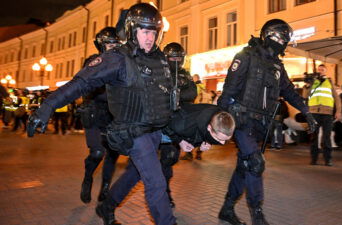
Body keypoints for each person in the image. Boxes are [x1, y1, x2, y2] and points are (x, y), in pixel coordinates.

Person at [27, 3, 177, 225]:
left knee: (135, 173)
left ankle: (106, 207)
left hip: (157, 132)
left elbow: (168, 99)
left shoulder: (160, 59)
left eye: (154, 32)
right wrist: (47, 107)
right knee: (156, 183)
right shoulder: (117, 58)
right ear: (132, 30)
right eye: (145, 31)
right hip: (134, 133)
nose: (150, 38)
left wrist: (189, 135)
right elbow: (81, 83)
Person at [217, 19, 317, 225]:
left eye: (286, 39)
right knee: (255, 163)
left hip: (262, 125)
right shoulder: (245, 57)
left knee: (245, 167)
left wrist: (306, 111)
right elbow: (228, 92)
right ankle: (257, 215)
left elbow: (289, 91)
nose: (283, 42)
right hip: (242, 122)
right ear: (268, 35)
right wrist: (221, 124)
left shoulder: (277, 66)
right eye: (281, 37)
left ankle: (226, 209)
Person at [105, 103, 235, 212]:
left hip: (174, 129)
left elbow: (204, 133)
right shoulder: (184, 125)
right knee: (139, 172)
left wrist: (205, 142)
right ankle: (108, 206)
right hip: (157, 131)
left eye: (226, 140)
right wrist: (180, 141)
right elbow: (170, 127)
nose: (222, 143)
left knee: (166, 165)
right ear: (209, 128)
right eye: (219, 139)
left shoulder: (221, 118)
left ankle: (165, 198)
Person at [79, 26, 121, 204]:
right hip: (95, 113)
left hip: (113, 116)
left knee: (112, 154)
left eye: (115, 43)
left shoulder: (122, 63)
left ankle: (105, 187)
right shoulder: (93, 61)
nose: (112, 46)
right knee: (97, 152)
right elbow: (89, 85)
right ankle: (88, 177)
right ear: (101, 45)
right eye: (109, 43)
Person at [160, 42, 197, 207]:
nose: (175, 60)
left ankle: (165, 190)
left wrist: (176, 92)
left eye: (178, 57)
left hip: (175, 124)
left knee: (170, 159)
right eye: (172, 57)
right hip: (156, 123)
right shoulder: (159, 72)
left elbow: (192, 93)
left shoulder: (185, 75)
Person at [306, 64, 342, 166]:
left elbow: (337, 98)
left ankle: (328, 159)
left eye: (322, 70)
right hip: (314, 113)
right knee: (314, 137)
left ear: (325, 71)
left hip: (327, 113)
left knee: (327, 137)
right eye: (319, 69)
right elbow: (306, 96)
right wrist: (309, 84)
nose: (320, 71)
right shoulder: (313, 82)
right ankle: (314, 159)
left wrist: (338, 111)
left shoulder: (329, 82)